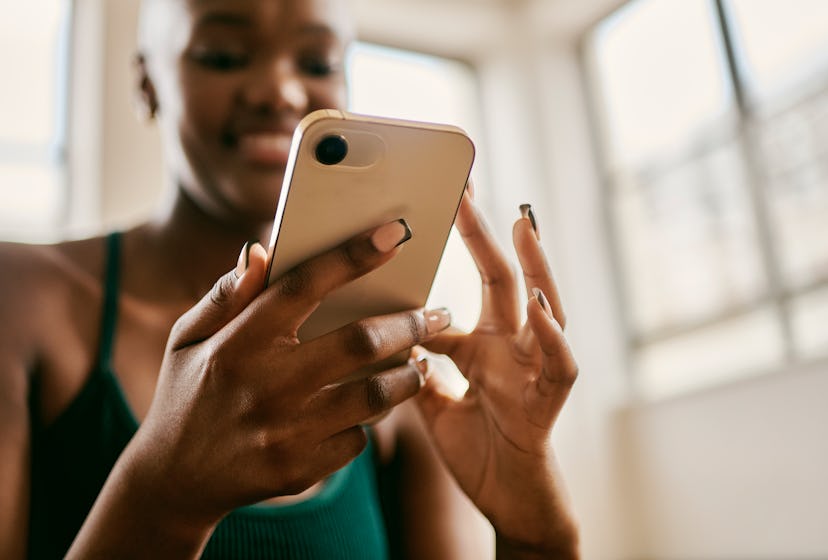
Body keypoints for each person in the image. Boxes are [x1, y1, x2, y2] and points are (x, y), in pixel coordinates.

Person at [0, 0, 580, 558]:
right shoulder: (21, 298)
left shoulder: (384, 366)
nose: (281, 91)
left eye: (318, 63)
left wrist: (537, 539)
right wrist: (166, 492)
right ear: (146, 81)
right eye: (224, 55)